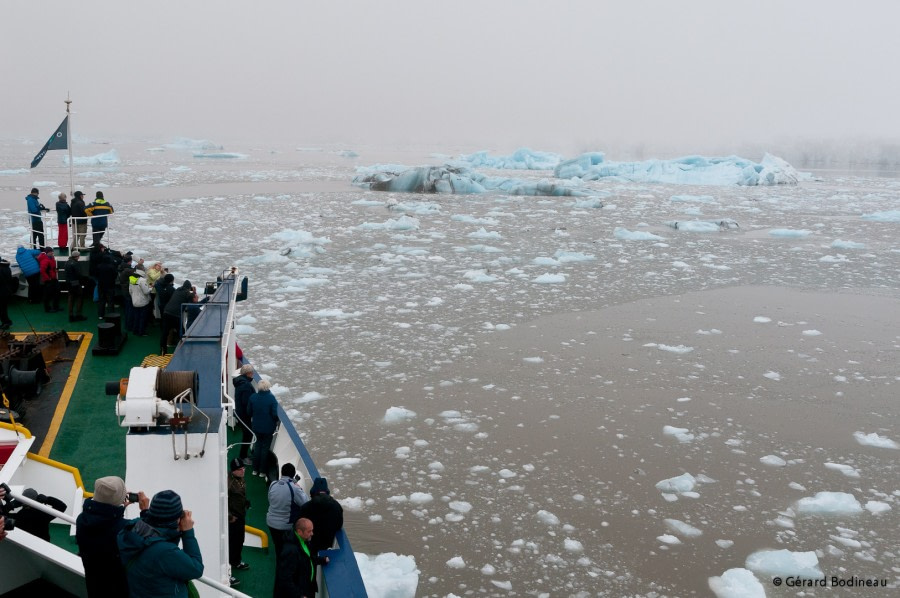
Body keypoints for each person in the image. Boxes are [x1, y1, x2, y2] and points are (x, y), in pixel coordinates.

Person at [117, 490, 203, 598]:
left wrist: (146, 513)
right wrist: (188, 533)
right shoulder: (165, 552)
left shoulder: (131, 529)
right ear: (176, 519)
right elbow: (196, 569)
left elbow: (155, 532)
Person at [76, 476, 149, 598]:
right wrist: (145, 510)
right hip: (118, 588)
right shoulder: (123, 528)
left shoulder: (82, 520)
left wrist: (120, 506)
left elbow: (104, 520)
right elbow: (146, 534)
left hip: (94, 584)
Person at [273, 518, 328, 598]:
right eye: (309, 531)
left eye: (312, 530)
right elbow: (285, 578)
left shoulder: (303, 540)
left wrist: (322, 560)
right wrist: (299, 595)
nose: (312, 533)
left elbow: (308, 558)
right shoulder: (290, 551)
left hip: (305, 588)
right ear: (299, 532)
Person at [266, 462, 309, 557]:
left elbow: (270, 499)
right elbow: (305, 502)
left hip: (271, 523)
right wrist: (299, 488)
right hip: (285, 526)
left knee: (278, 547)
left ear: (282, 472)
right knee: (287, 551)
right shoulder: (294, 488)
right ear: (293, 474)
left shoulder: (273, 484)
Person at [297, 477, 344, 556]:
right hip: (327, 544)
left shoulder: (306, 507)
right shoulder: (337, 506)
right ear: (327, 490)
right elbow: (339, 525)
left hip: (310, 544)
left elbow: (299, 524)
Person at [247, 379, 279, 479]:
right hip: (268, 428)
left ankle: (255, 469)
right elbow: (275, 414)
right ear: (268, 387)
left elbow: (249, 412)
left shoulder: (253, 397)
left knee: (257, 447)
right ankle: (262, 471)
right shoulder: (272, 399)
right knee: (265, 449)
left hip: (256, 427)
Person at [227, 458, 250, 586]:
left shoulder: (240, 479)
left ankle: (236, 561)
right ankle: (227, 572)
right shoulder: (228, 483)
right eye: (239, 469)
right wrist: (230, 517)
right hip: (233, 519)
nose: (243, 471)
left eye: (243, 468)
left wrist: (245, 502)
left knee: (240, 540)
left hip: (240, 515)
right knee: (230, 544)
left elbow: (240, 495)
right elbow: (223, 501)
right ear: (233, 471)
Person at [161, 280, 196, 354]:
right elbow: (193, 302)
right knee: (181, 331)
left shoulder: (177, 290)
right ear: (189, 288)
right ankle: (184, 348)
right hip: (176, 314)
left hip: (166, 312)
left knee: (165, 332)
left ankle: (163, 350)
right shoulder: (187, 293)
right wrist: (194, 292)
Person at [233, 364, 255, 463]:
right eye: (252, 372)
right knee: (248, 434)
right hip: (244, 415)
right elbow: (247, 402)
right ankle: (243, 457)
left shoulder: (240, 382)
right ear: (248, 374)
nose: (253, 374)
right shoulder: (245, 385)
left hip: (240, 413)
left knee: (247, 433)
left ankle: (244, 455)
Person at [37, 247, 61, 313]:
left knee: (57, 292)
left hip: (53, 278)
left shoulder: (51, 258)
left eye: (52, 251)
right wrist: (48, 278)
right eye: (51, 252)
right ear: (47, 252)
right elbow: (42, 271)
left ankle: (55, 306)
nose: (52, 253)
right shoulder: (45, 260)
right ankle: (47, 309)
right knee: (47, 295)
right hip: (49, 280)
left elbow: (51, 268)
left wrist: (55, 270)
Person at [64, 251, 87, 322]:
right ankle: (78, 314)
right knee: (79, 297)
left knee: (71, 298)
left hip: (68, 283)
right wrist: (83, 282)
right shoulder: (76, 263)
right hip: (75, 283)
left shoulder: (67, 263)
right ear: (77, 256)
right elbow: (79, 274)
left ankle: (71, 315)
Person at [129, 269, 152, 336]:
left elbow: (130, 291)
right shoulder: (142, 280)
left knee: (136, 317)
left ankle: (135, 330)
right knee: (142, 318)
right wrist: (150, 288)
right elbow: (146, 292)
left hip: (135, 301)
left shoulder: (132, 280)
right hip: (143, 302)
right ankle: (141, 332)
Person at [0, 256, 14, 329]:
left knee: (2, 309)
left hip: (2, 292)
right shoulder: (7, 268)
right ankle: (7, 321)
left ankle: (6, 323)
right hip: (7, 291)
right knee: (3, 308)